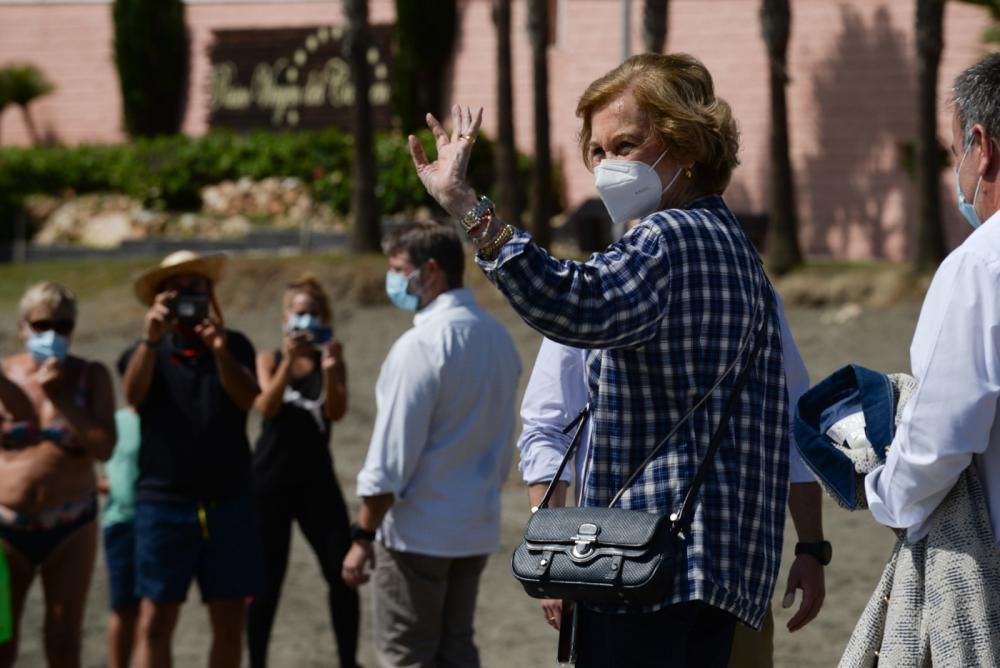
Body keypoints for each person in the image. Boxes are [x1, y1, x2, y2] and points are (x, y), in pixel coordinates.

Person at [409, 53, 794, 666]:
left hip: (648, 566)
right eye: (597, 151)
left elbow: (569, 302)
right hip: (721, 567)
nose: (608, 166)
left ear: (687, 144)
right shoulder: (737, 249)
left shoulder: (666, 238)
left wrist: (467, 206)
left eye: (627, 144)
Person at [519, 308, 827, 667]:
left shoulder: (755, 290)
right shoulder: (597, 287)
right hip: (620, 567)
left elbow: (791, 423)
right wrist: (552, 551)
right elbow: (548, 428)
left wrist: (811, 547)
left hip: (726, 571)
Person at [341, 222, 521, 667]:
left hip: (418, 533)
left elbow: (390, 458)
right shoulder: (498, 338)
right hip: (474, 527)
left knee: (407, 655)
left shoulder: (419, 345)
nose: (394, 280)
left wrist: (363, 535)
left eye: (399, 269)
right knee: (457, 649)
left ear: (431, 270)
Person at [865, 55, 1000, 571]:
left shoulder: (981, 264)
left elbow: (942, 435)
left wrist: (887, 496)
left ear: (981, 148)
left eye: (953, 153)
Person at [122, 250, 262, 668]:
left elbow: (248, 399)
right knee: (154, 621)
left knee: (229, 620)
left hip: (229, 501)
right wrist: (150, 339)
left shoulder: (234, 345)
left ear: (212, 295)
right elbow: (132, 397)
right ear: (159, 300)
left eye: (196, 289)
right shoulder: (146, 348)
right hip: (163, 503)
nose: (188, 299)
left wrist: (219, 351)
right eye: (177, 291)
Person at [0, 281, 116, 667]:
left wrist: (60, 397)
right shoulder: (4, 375)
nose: (52, 334)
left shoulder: (89, 376)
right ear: (22, 327)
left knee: (64, 641)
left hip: (70, 524)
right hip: (5, 526)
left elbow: (104, 447)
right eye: (42, 325)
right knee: (1, 638)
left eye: (63, 326)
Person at [247, 275, 359, 668]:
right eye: (299, 313)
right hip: (269, 481)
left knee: (341, 572)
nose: (306, 321)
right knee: (266, 580)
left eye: (313, 313)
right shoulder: (268, 358)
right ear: (285, 318)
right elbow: (266, 406)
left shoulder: (331, 357)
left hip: (316, 480)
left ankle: (348, 660)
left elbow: (336, 412)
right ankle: (257, 660)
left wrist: (329, 369)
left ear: (323, 317)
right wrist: (287, 361)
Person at [99, 352, 142, 668]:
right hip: (121, 523)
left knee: (153, 609)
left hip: (158, 522)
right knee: (123, 607)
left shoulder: (164, 422)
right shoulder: (114, 421)